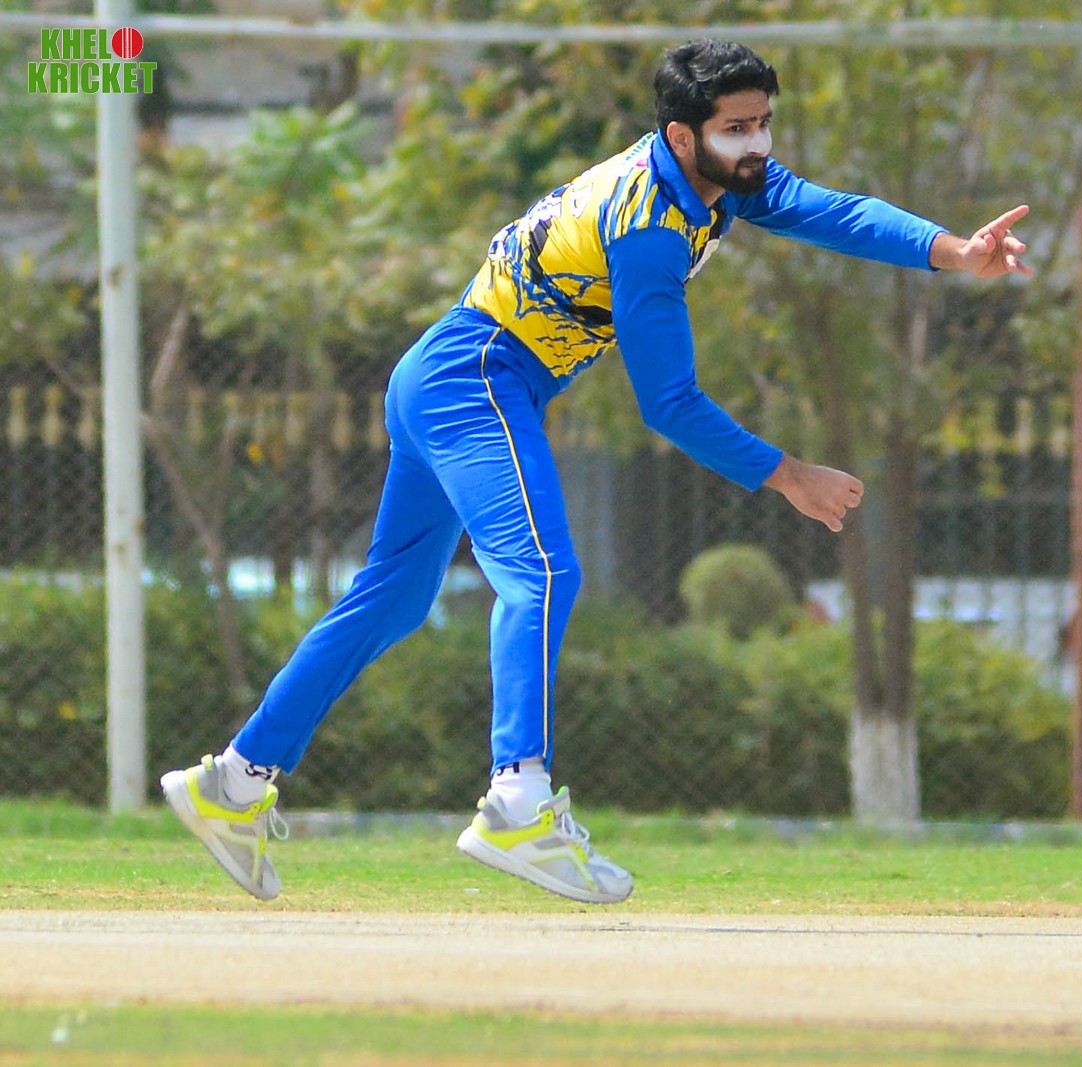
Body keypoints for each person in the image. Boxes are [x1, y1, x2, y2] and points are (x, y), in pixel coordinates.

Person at [159, 38, 1032, 903]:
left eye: (764, 122)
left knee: (392, 599)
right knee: (541, 572)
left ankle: (232, 781)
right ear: (682, 136)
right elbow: (670, 403)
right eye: (737, 128)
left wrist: (955, 251)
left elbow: (830, 211)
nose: (758, 143)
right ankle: (517, 798)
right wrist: (787, 473)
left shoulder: (713, 178)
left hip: (445, 373)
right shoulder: (650, 226)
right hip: (477, 376)